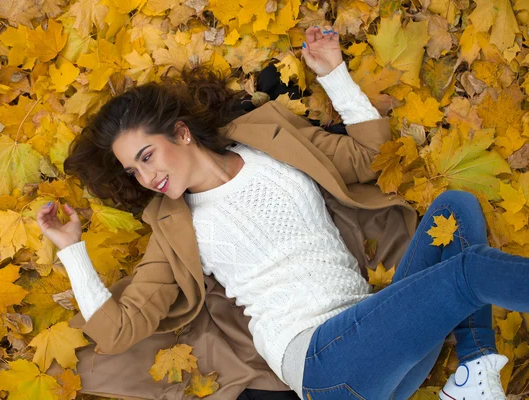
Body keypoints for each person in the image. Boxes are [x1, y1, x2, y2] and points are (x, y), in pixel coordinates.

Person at [35, 24, 525, 400]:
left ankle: (474, 375)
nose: (146, 178)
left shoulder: (266, 138)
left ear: (181, 133)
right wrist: (73, 250)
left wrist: (334, 75)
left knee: (456, 208)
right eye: (133, 172)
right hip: (322, 365)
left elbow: (369, 160)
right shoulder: (173, 228)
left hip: (385, 345)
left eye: (147, 157)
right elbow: (115, 331)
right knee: (467, 274)